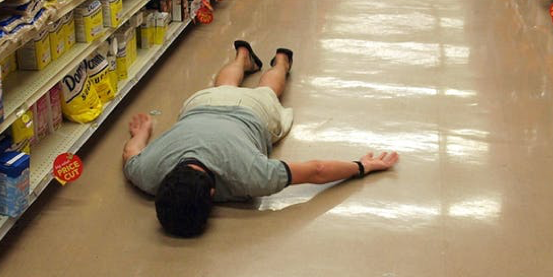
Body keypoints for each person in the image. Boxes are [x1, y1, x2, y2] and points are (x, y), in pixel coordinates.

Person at [122, 40, 400, 237]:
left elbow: (316, 170)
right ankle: (243, 56)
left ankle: (281, 61)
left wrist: (363, 166)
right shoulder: (147, 174)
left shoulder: (251, 177)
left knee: (268, 90)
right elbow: (130, 154)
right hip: (201, 104)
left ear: (212, 194)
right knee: (225, 86)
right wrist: (143, 132)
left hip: (251, 113)